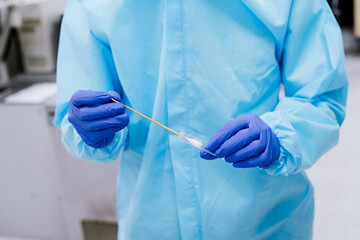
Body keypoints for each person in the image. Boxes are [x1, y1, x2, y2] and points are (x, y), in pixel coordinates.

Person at [54, 0, 348, 239]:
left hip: (263, 222)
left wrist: (281, 135)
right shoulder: (92, 5)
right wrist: (90, 129)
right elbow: (76, 110)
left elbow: (320, 95)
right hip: (151, 223)